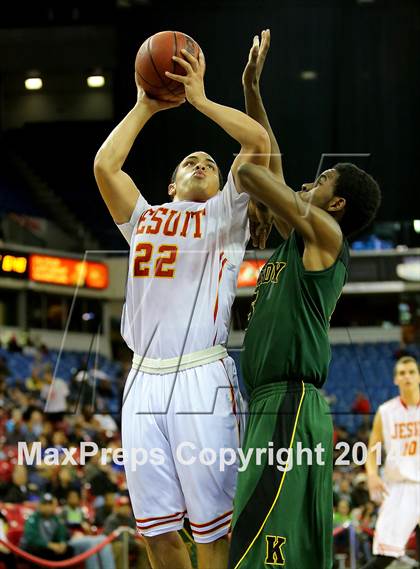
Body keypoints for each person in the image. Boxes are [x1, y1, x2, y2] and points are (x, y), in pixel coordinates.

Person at [94, 45, 270, 569]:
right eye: (190, 161)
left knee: (214, 531)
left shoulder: (226, 214)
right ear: (170, 186)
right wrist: (146, 105)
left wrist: (199, 99)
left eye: (211, 163)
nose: (202, 162)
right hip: (143, 380)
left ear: (223, 187)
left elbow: (256, 140)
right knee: (157, 533)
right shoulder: (144, 219)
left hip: (201, 376)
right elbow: (106, 164)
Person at [228, 30, 381, 569]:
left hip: (291, 402)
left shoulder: (325, 237)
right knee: (289, 549)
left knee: (258, 547)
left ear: (335, 203)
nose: (308, 185)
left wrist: (269, 191)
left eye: (318, 182)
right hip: (275, 404)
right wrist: (251, 87)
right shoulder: (300, 238)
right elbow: (266, 158)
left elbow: (251, 169)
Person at [360, 356, 420, 569]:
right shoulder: (385, 411)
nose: (407, 377)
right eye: (402, 373)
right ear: (395, 380)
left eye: (412, 372)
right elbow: (372, 449)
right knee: (386, 555)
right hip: (399, 487)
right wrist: (373, 475)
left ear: (418, 376)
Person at [20, 493, 75, 561]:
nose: (47, 507)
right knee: (37, 550)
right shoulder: (33, 518)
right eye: (45, 504)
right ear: (39, 505)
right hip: (34, 549)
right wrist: (50, 545)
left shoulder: (55, 518)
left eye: (50, 504)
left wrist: (62, 543)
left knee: (69, 550)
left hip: (49, 548)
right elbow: (32, 538)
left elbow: (62, 532)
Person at [103, 495, 150, 569]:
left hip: (129, 543)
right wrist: (134, 542)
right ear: (117, 508)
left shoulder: (129, 519)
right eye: (122, 506)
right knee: (120, 546)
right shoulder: (111, 520)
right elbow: (112, 537)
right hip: (113, 545)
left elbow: (134, 533)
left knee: (143, 546)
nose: (125, 508)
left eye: (126, 506)